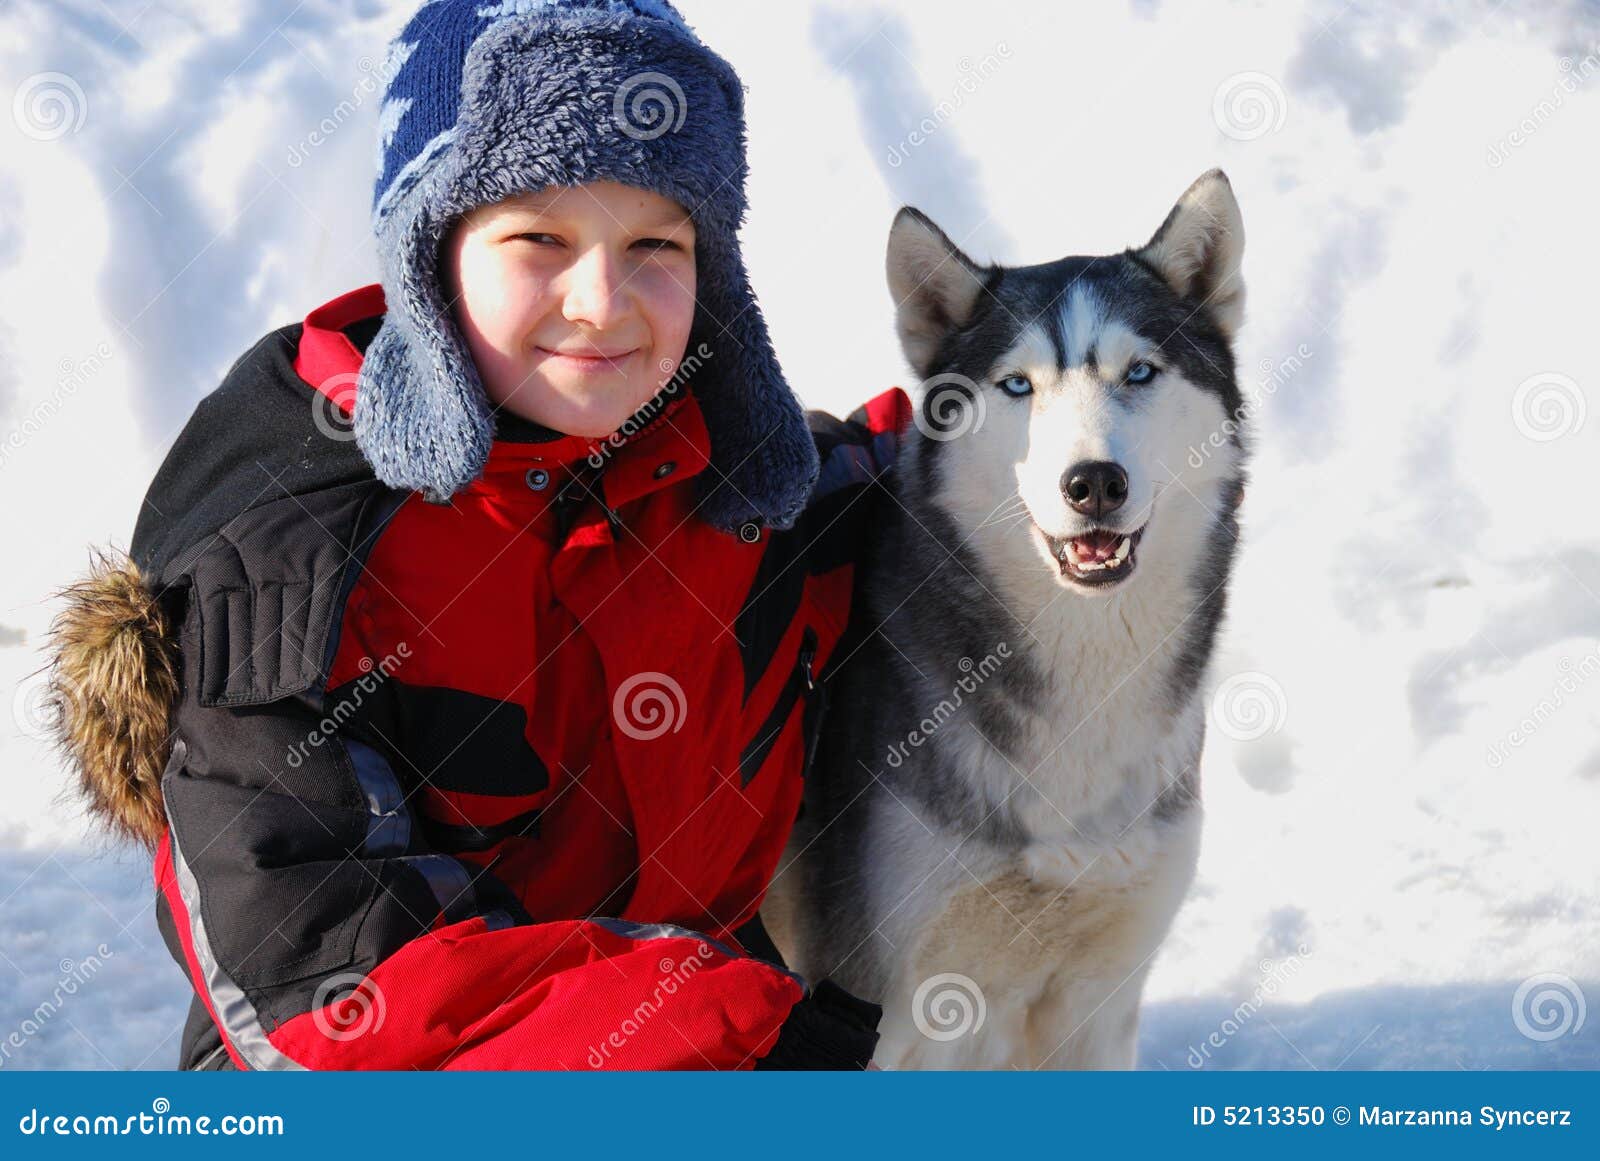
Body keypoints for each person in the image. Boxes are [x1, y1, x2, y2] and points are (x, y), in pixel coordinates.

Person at [46, 0, 908, 1070]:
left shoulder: (726, 483)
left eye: (656, 243)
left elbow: (937, 500)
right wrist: (720, 1028)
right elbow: (330, 990)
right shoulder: (295, 556)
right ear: (430, 257)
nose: (602, 302)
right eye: (539, 239)